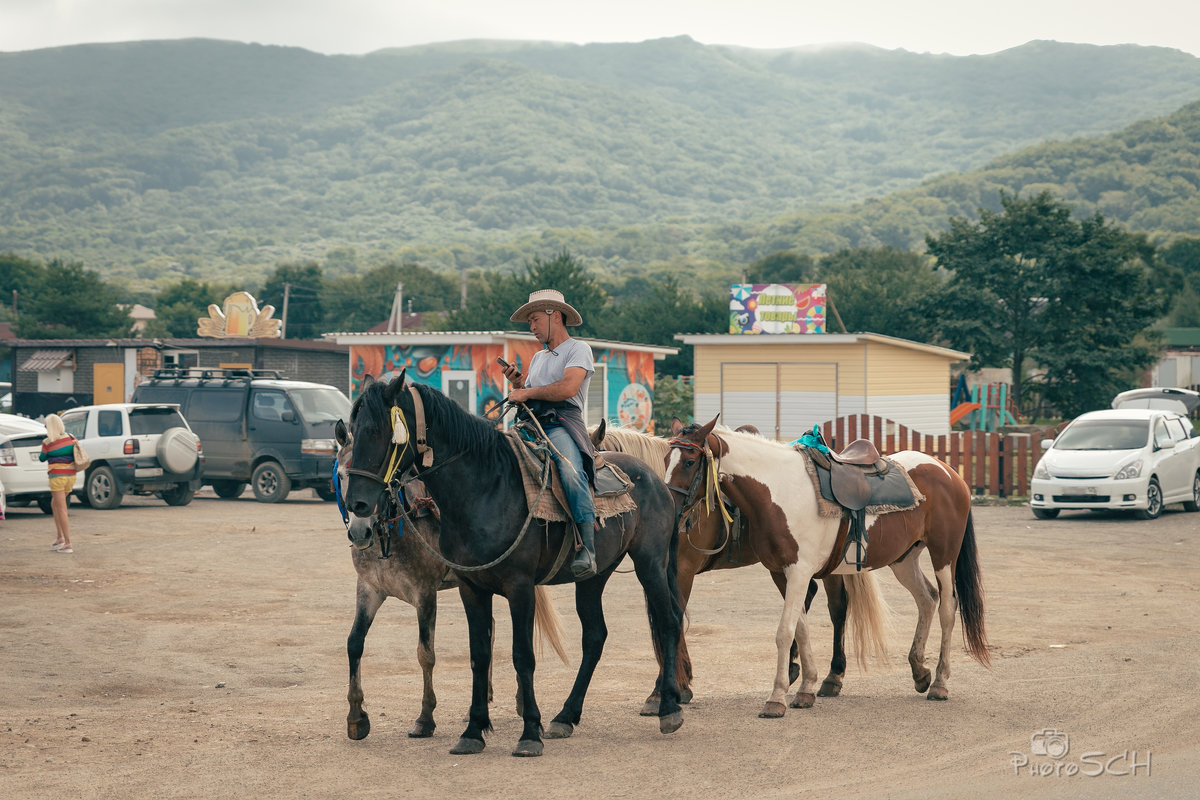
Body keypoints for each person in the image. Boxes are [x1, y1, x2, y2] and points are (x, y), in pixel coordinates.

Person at [502, 289, 598, 579]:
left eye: (533, 320)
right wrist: (519, 382)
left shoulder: (578, 349)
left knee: (570, 471)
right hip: (530, 425)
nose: (531, 328)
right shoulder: (539, 358)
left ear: (554, 316)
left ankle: (588, 548)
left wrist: (526, 391)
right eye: (529, 322)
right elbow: (532, 394)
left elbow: (567, 389)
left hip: (561, 423)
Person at [39, 413, 77, 554]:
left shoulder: (47, 442)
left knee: (61, 509)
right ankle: (59, 537)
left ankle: (67, 543)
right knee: (54, 504)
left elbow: (42, 458)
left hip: (57, 478)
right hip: (71, 477)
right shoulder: (72, 438)